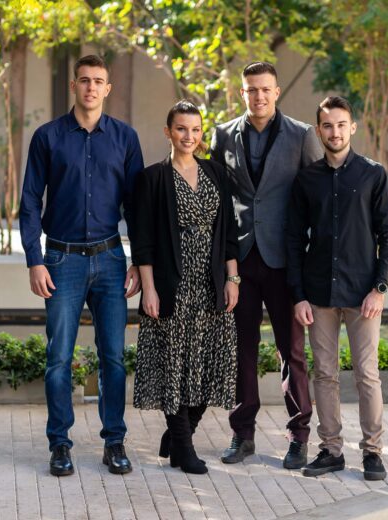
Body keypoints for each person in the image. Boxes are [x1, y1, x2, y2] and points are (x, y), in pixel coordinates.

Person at [19, 54, 143, 477]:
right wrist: (35, 261)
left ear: (108, 88)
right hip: (61, 259)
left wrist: (138, 262)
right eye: (84, 80)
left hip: (110, 259)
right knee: (59, 357)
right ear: (73, 85)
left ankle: (114, 442)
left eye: (98, 81)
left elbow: (136, 206)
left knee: (113, 358)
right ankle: (59, 444)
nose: (91, 87)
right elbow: (30, 203)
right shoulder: (48, 137)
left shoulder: (125, 138)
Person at [210, 61, 322, 469]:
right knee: (241, 351)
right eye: (251, 89)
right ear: (241, 93)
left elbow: (316, 198)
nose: (258, 96)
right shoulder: (223, 135)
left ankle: (298, 437)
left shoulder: (301, 135)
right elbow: (218, 201)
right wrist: (223, 265)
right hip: (240, 260)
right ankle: (242, 435)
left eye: (265, 89)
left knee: (292, 352)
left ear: (276, 92)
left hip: (285, 261)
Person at [286, 96, 388, 481]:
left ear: (352, 127)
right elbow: (293, 240)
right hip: (318, 294)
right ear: (319, 131)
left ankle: (373, 453)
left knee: (367, 374)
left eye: (340, 124)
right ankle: (331, 450)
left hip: (363, 294)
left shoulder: (373, 175)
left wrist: (379, 288)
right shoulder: (307, 180)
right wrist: (299, 294)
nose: (334, 132)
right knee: (324, 373)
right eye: (327, 126)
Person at [130, 100, 240, 474]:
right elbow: (143, 241)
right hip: (171, 285)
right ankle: (184, 448)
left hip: (211, 283)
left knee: (211, 364)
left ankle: (178, 438)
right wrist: (149, 289)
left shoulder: (215, 173)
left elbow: (229, 231)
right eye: (181, 129)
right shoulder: (152, 178)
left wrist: (233, 278)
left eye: (195, 129)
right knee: (173, 365)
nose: (188, 136)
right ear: (168, 132)